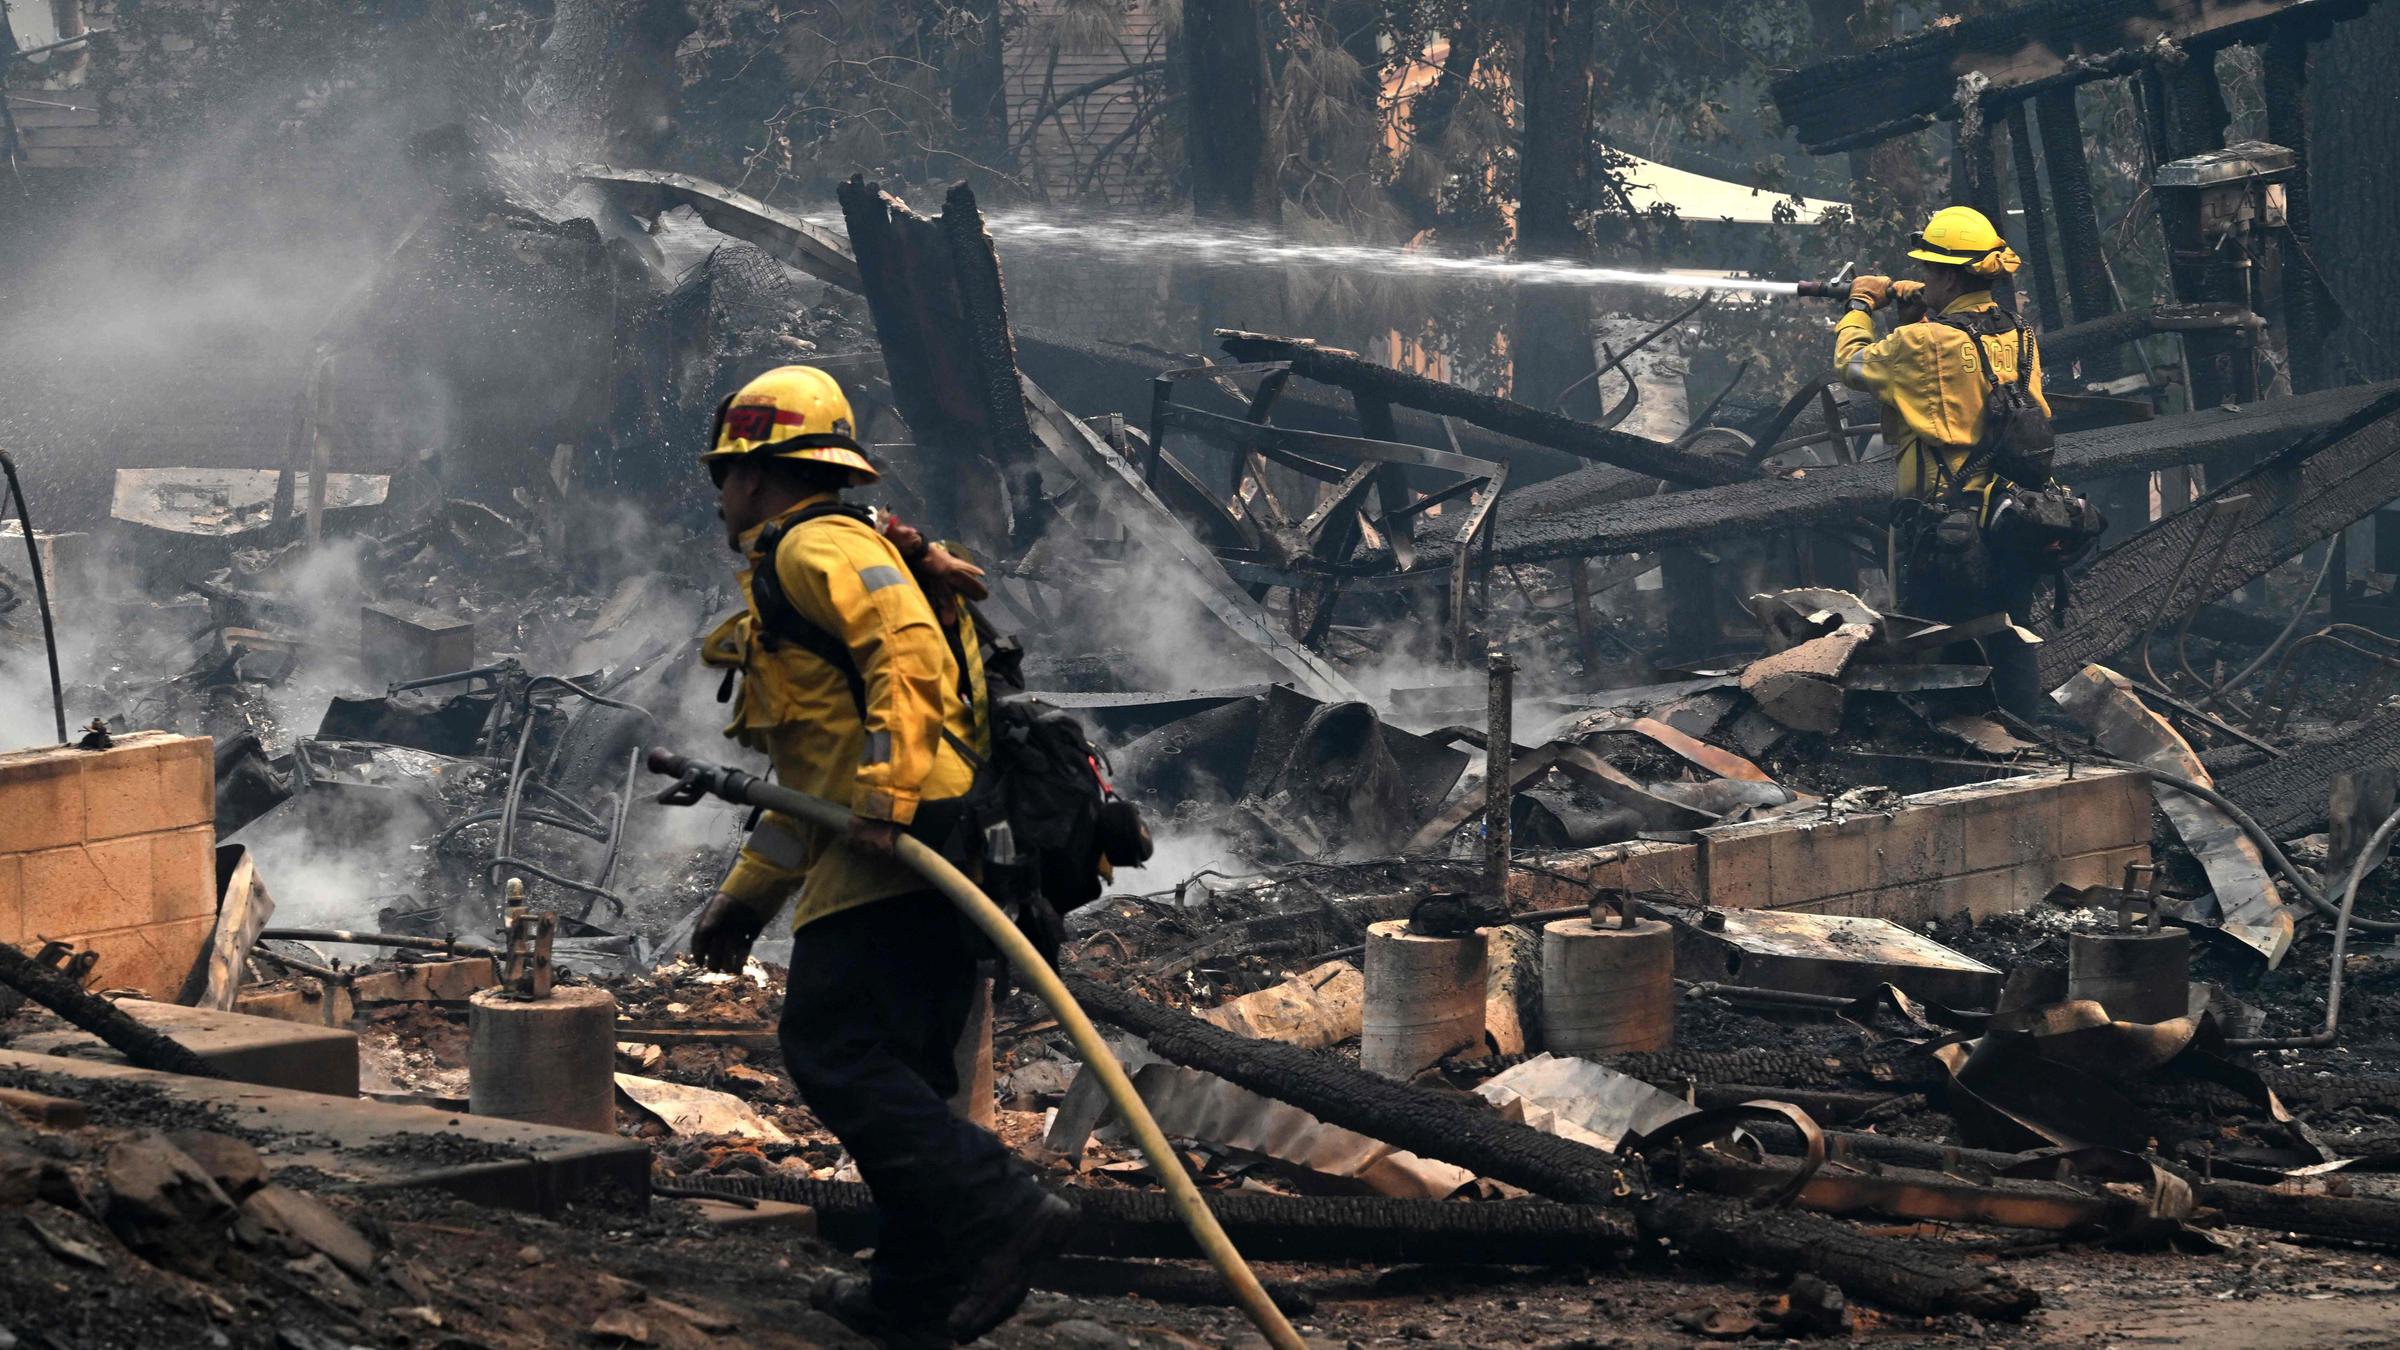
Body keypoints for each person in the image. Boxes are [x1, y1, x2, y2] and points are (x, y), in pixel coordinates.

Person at [686, 365, 1076, 1348]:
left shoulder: (816, 546)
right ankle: (912, 1294)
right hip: (907, 846)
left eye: (725, 473)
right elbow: (801, 779)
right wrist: (743, 904)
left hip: (906, 850)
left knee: (836, 1049)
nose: (719, 494)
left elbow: (904, 654)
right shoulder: (801, 569)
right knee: (904, 1070)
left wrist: (887, 797)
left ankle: (1004, 1207)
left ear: (764, 474)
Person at [1834, 205, 2053, 719]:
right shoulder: (2018, 332)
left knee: (1927, 635)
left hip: (1939, 522)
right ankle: (2024, 730)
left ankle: (1946, 742)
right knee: (2007, 626)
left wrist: (1861, 305)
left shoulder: (1923, 341)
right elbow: (1949, 380)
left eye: (1930, 269)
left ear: (1952, 277)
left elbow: (1853, 364)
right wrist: (1919, 311)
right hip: (2011, 513)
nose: (1923, 275)